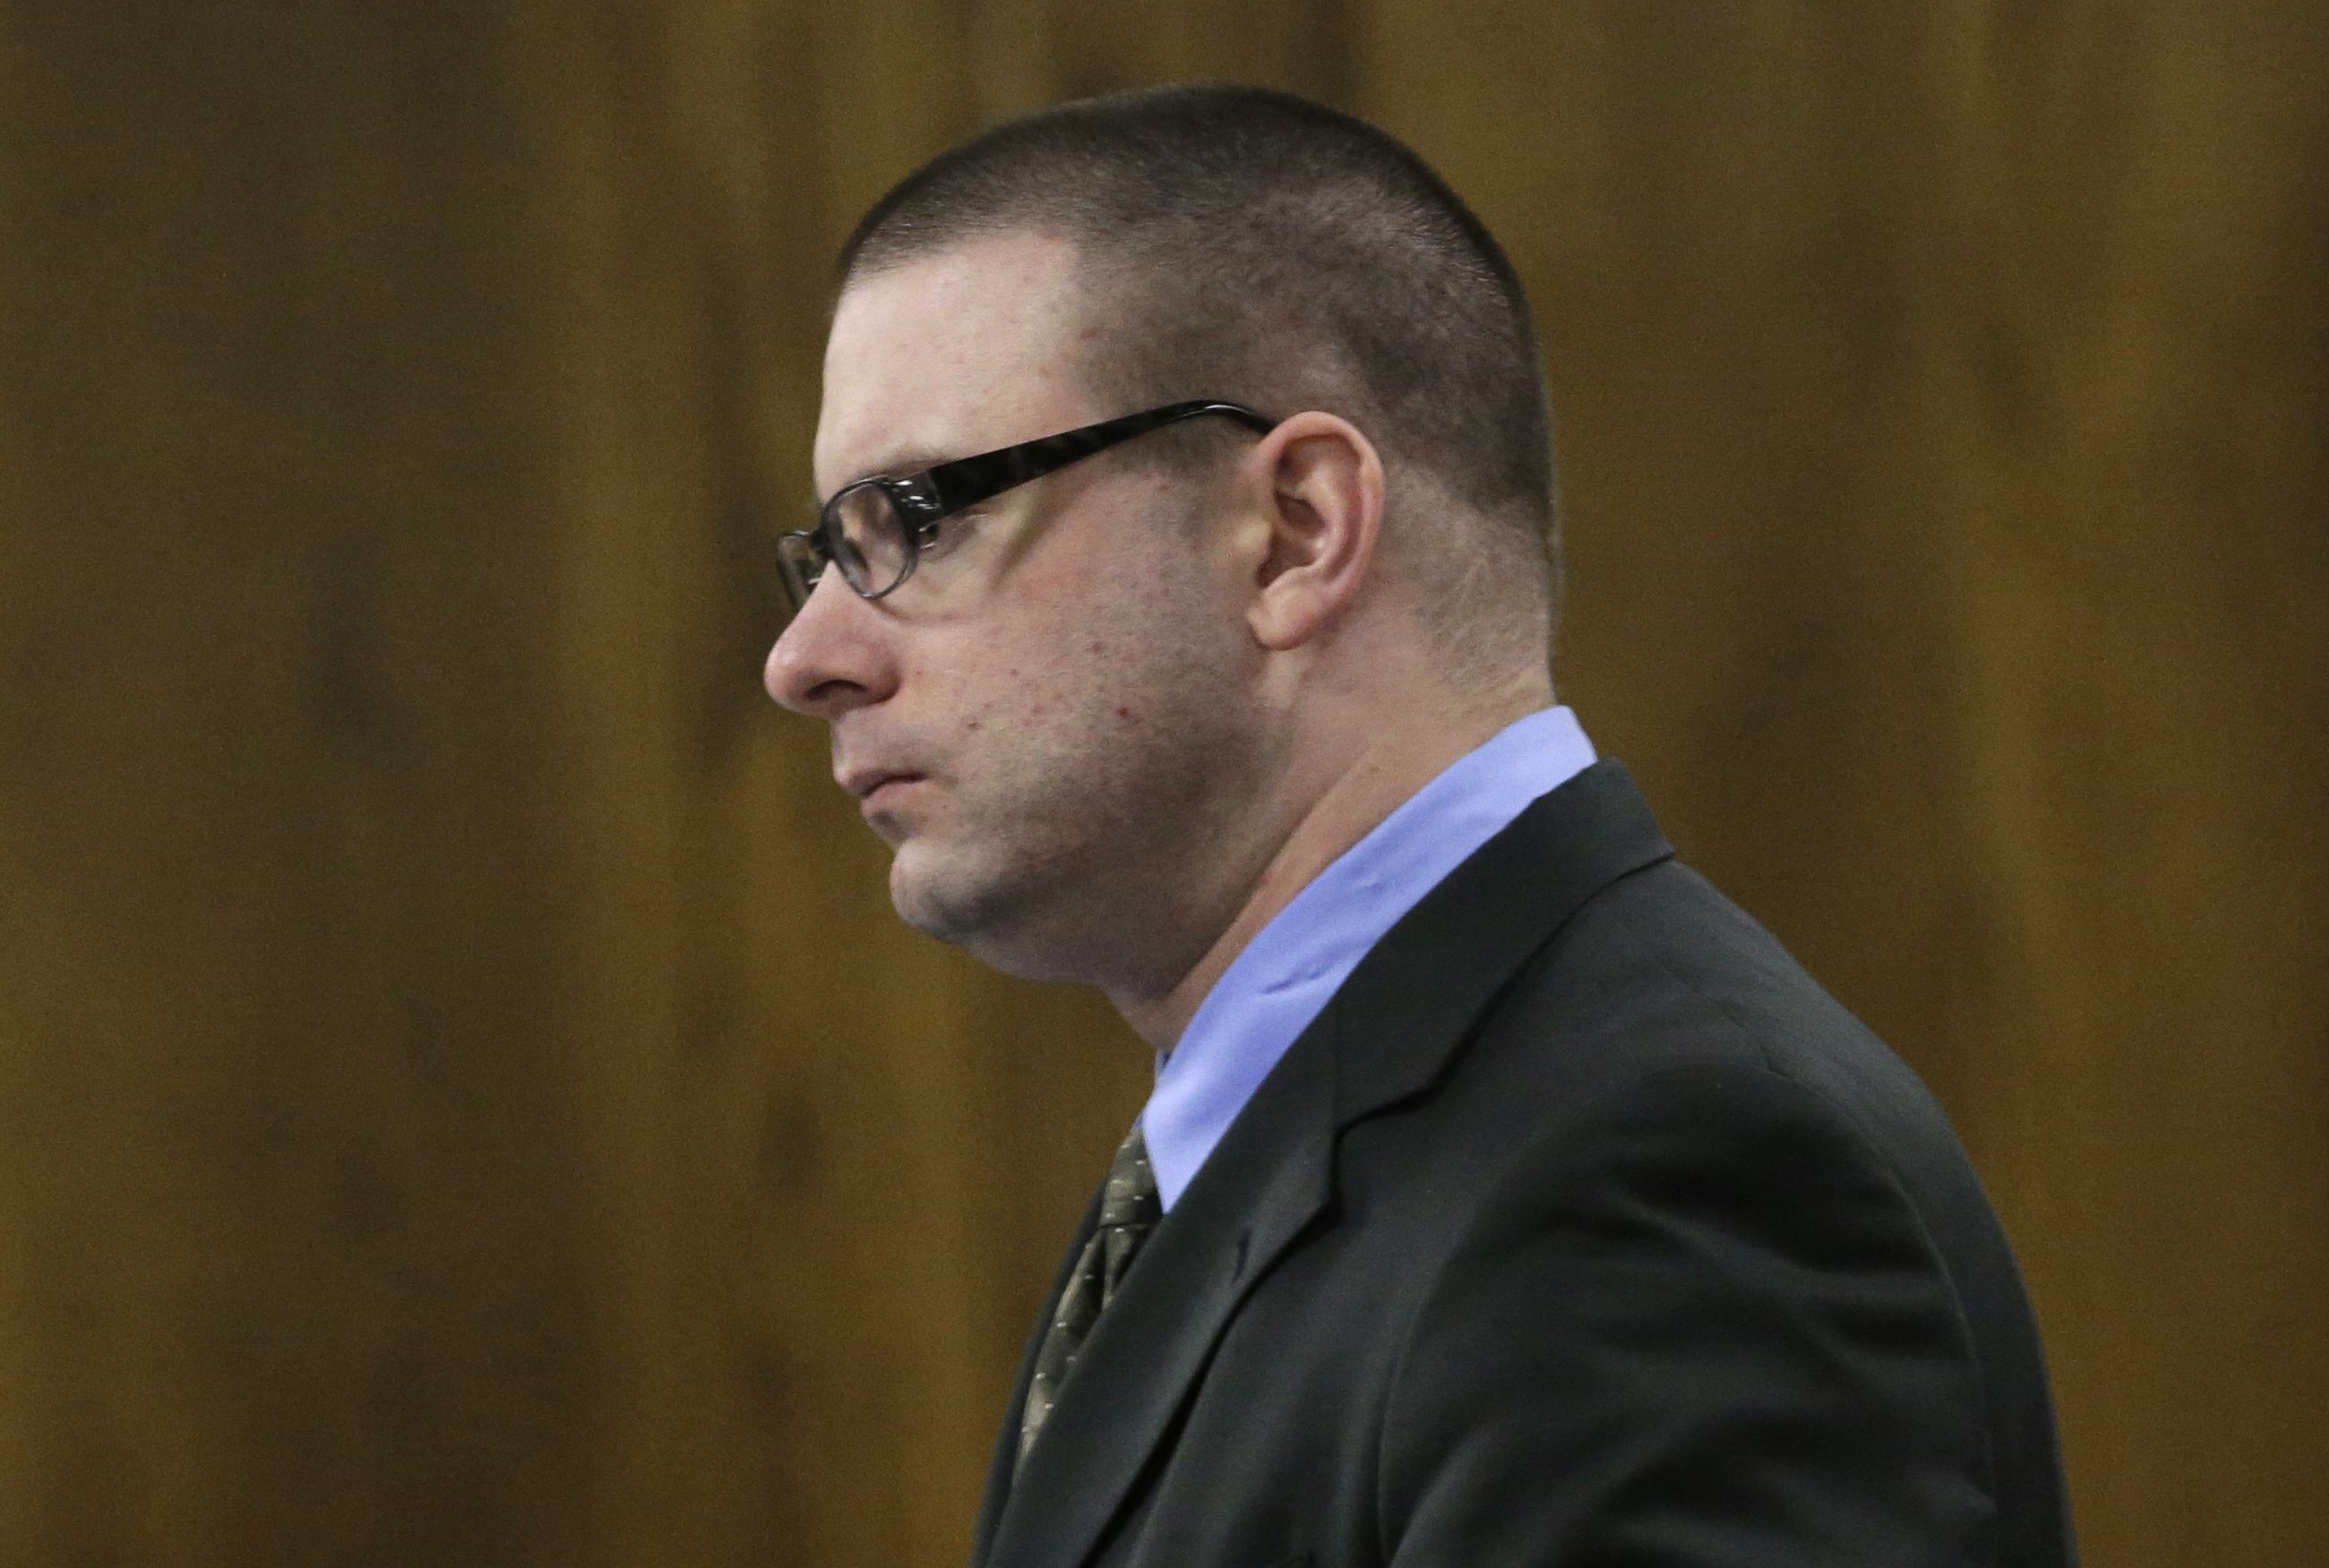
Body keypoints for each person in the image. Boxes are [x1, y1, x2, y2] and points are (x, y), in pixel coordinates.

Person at [762, 82, 2075, 1568]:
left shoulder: (1656, 1172)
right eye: (829, 553)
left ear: (1296, 531)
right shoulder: (1290, 1151)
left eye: (917, 520)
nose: (807, 659)